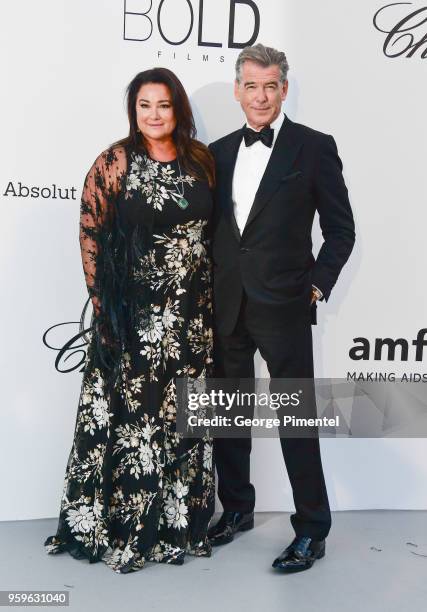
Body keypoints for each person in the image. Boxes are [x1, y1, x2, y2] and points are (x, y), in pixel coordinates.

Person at [44, 68, 216, 573]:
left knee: (183, 421)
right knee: (136, 424)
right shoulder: (115, 160)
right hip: (135, 318)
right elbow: (90, 230)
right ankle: (127, 527)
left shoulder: (201, 160)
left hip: (191, 317)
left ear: (178, 108)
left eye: (163, 105)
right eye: (145, 105)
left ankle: (178, 527)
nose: (154, 115)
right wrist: (104, 310)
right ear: (133, 110)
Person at [207, 44, 355, 572]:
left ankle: (312, 530)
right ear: (238, 91)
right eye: (252, 86)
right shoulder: (218, 152)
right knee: (228, 417)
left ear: (284, 89)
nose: (261, 96)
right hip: (226, 305)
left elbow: (341, 230)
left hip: (286, 305)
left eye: (271, 86)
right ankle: (237, 510)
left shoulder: (314, 147)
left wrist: (315, 286)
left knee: (296, 421)